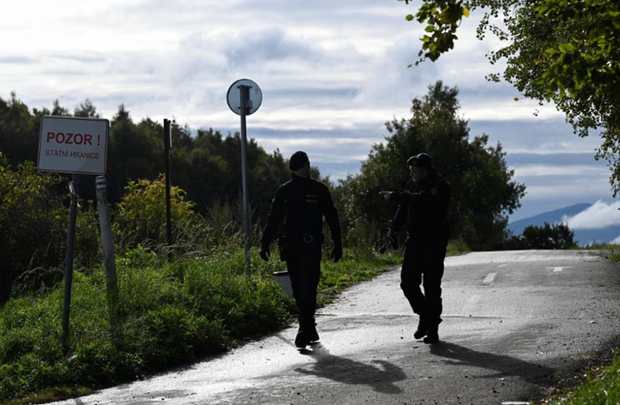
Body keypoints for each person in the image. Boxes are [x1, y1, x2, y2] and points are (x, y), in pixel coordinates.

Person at [259, 151, 343, 348]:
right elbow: (273, 218)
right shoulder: (284, 191)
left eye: (307, 164)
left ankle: (303, 330)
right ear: (294, 168)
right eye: (302, 165)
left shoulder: (319, 189)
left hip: (311, 245)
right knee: (298, 288)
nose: (306, 168)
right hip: (291, 246)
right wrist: (264, 243)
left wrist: (338, 243)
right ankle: (309, 325)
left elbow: (332, 216)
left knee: (308, 286)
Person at [379, 152, 451, 344]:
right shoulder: (411, 184)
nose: (412, 173)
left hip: (434, 243)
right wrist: (393, 229)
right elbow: (403, 209)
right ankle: (425, 315)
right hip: (414, 242)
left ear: (425, 170)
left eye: (415, 170)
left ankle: (433, 329)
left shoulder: (440, 186)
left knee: (431, 286)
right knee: (407, 284)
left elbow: (423, 199)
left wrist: (395, 195)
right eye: (411, 170)